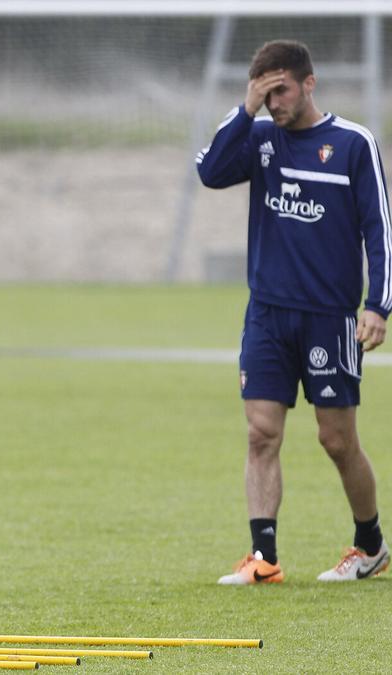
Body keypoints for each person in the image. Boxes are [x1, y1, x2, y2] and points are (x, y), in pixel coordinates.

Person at [198, 40, 389, 585]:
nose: (273, 101)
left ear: (310, 83)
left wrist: (377, 304)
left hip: (329, 316)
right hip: (266, 313)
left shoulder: (353, 143)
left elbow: (380, 230)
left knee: (336, 439)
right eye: (264, 91)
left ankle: (371, 545)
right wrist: (246, 109)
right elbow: (210, 172)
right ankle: (263, 557)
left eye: (279, 90)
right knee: (261, 434)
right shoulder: (258, 137)